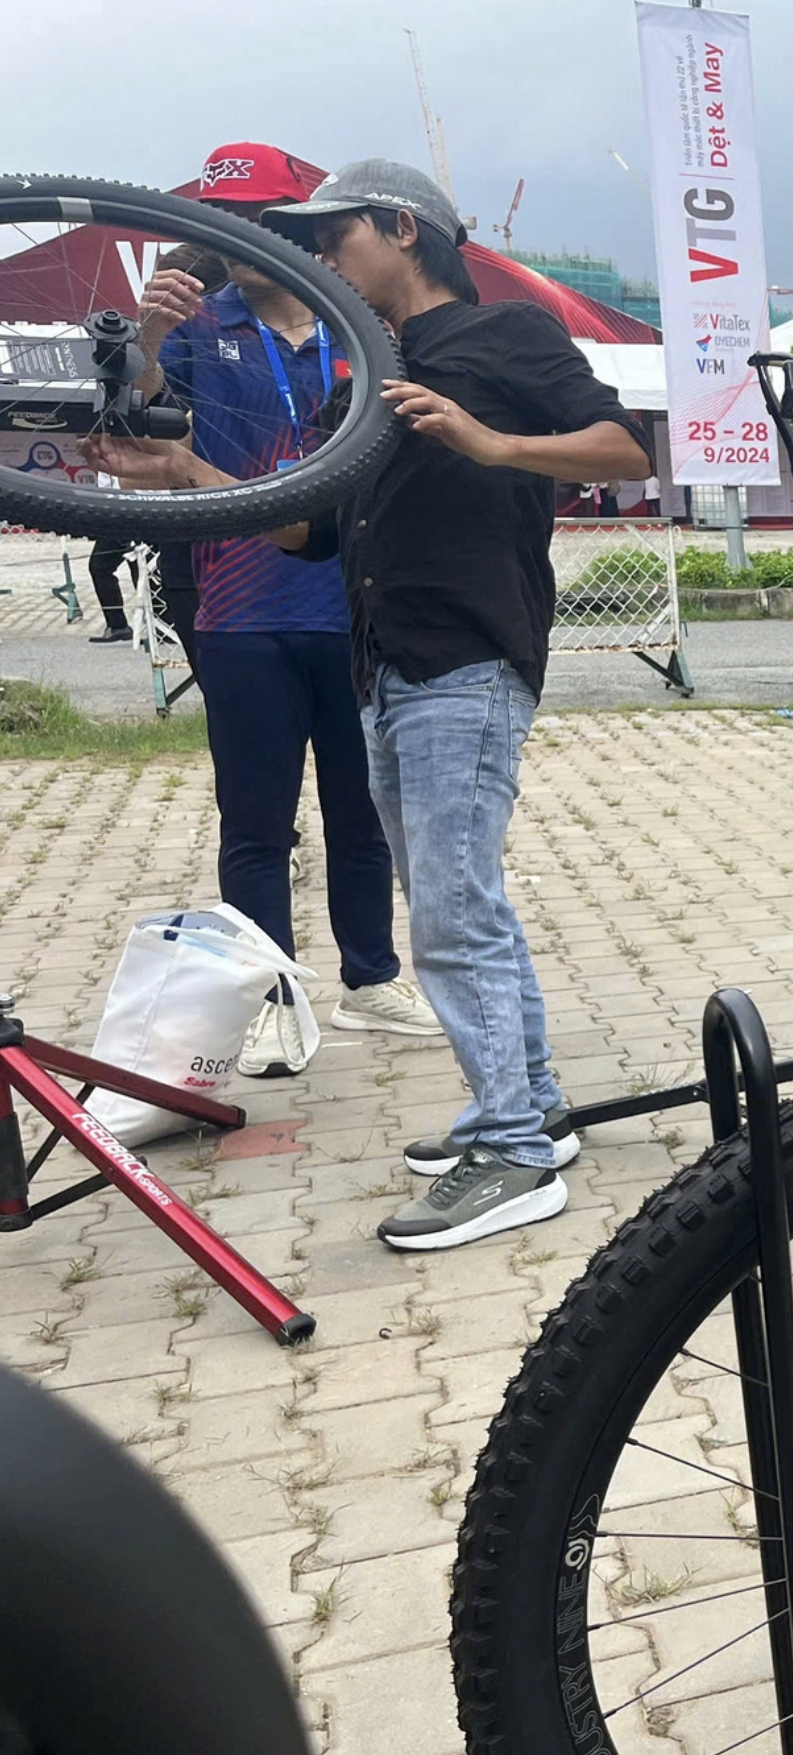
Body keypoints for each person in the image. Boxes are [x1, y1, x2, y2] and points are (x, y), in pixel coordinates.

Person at [102, 159, 655, 1250]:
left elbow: (627, 452)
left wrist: (491, 443)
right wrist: (179, 475)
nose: (313, 251)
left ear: (401, 228)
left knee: (449, 911)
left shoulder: (506, 341)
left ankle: (512, 1153)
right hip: (383, 665)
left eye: (333, 232)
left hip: (467, 654)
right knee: (454, 897)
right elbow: (306, 526)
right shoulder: (366, 370)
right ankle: (530, 1105)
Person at [124, 145, 440, 1079]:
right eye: (227, 219)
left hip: (353, 602)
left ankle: (373, 977)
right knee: (257, 819)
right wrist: (142, 345)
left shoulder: (363, 324)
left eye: (269, 216)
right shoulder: (196, 323)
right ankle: (267, 994)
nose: (248, 236)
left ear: (303, 224)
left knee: (363, 809)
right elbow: (149, 419)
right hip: (236, 606)